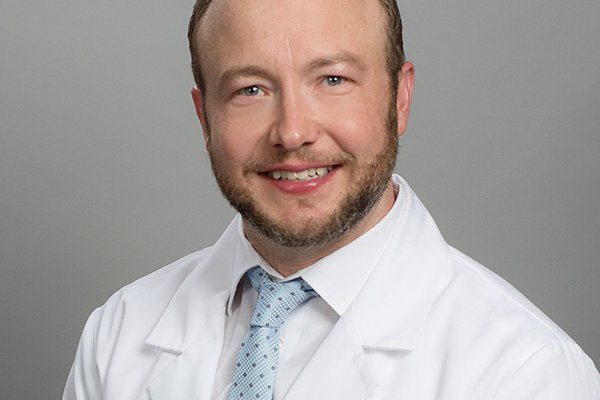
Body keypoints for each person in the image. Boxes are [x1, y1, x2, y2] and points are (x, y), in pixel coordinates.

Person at [63, 0, 600, 398]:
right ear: (205, 118)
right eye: (251, 89)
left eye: (333, 79)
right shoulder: (119, 333)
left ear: (400, 97)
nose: (293, 133)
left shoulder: (527, 373)